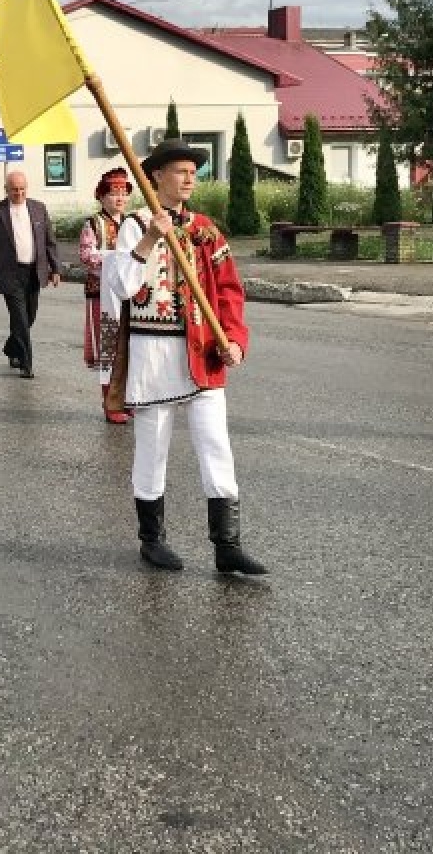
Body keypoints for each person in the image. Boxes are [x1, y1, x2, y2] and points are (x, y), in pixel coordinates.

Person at [102, 139, 266, 575]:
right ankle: (151, 539)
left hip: (204, 354)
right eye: (180, 170)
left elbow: (230, 290)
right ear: (155, 176)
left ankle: (227, 544)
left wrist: (233, 339)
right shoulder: (136, 225)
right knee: (152, 447)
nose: (189, 177)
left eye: (193, 171)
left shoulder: (206, 229)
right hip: (155, 352)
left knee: (216, 445)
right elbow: (122, 285)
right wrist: (154, 236)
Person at [0, 170, 60, 378]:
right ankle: (26, 364)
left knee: (29, 316)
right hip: (9, 274)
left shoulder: (39, 209)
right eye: (14, 190)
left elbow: (49, 241)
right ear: (6, 190)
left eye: (22, 189)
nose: (19, 193)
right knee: (20, 318)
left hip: (34, 272)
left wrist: (56, 268)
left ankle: (12, 349)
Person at [79, 167, 133, 424]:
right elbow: (87, 256)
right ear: (101, 197)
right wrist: (115, 260)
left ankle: (126, 398)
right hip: (101, 293)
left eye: (123, 193)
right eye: (113, 194)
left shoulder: (132, 223)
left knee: (130, 346)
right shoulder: (93, 224)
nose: (119, 199)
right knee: (108, 347)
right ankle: (110, 402)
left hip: (128, 294)